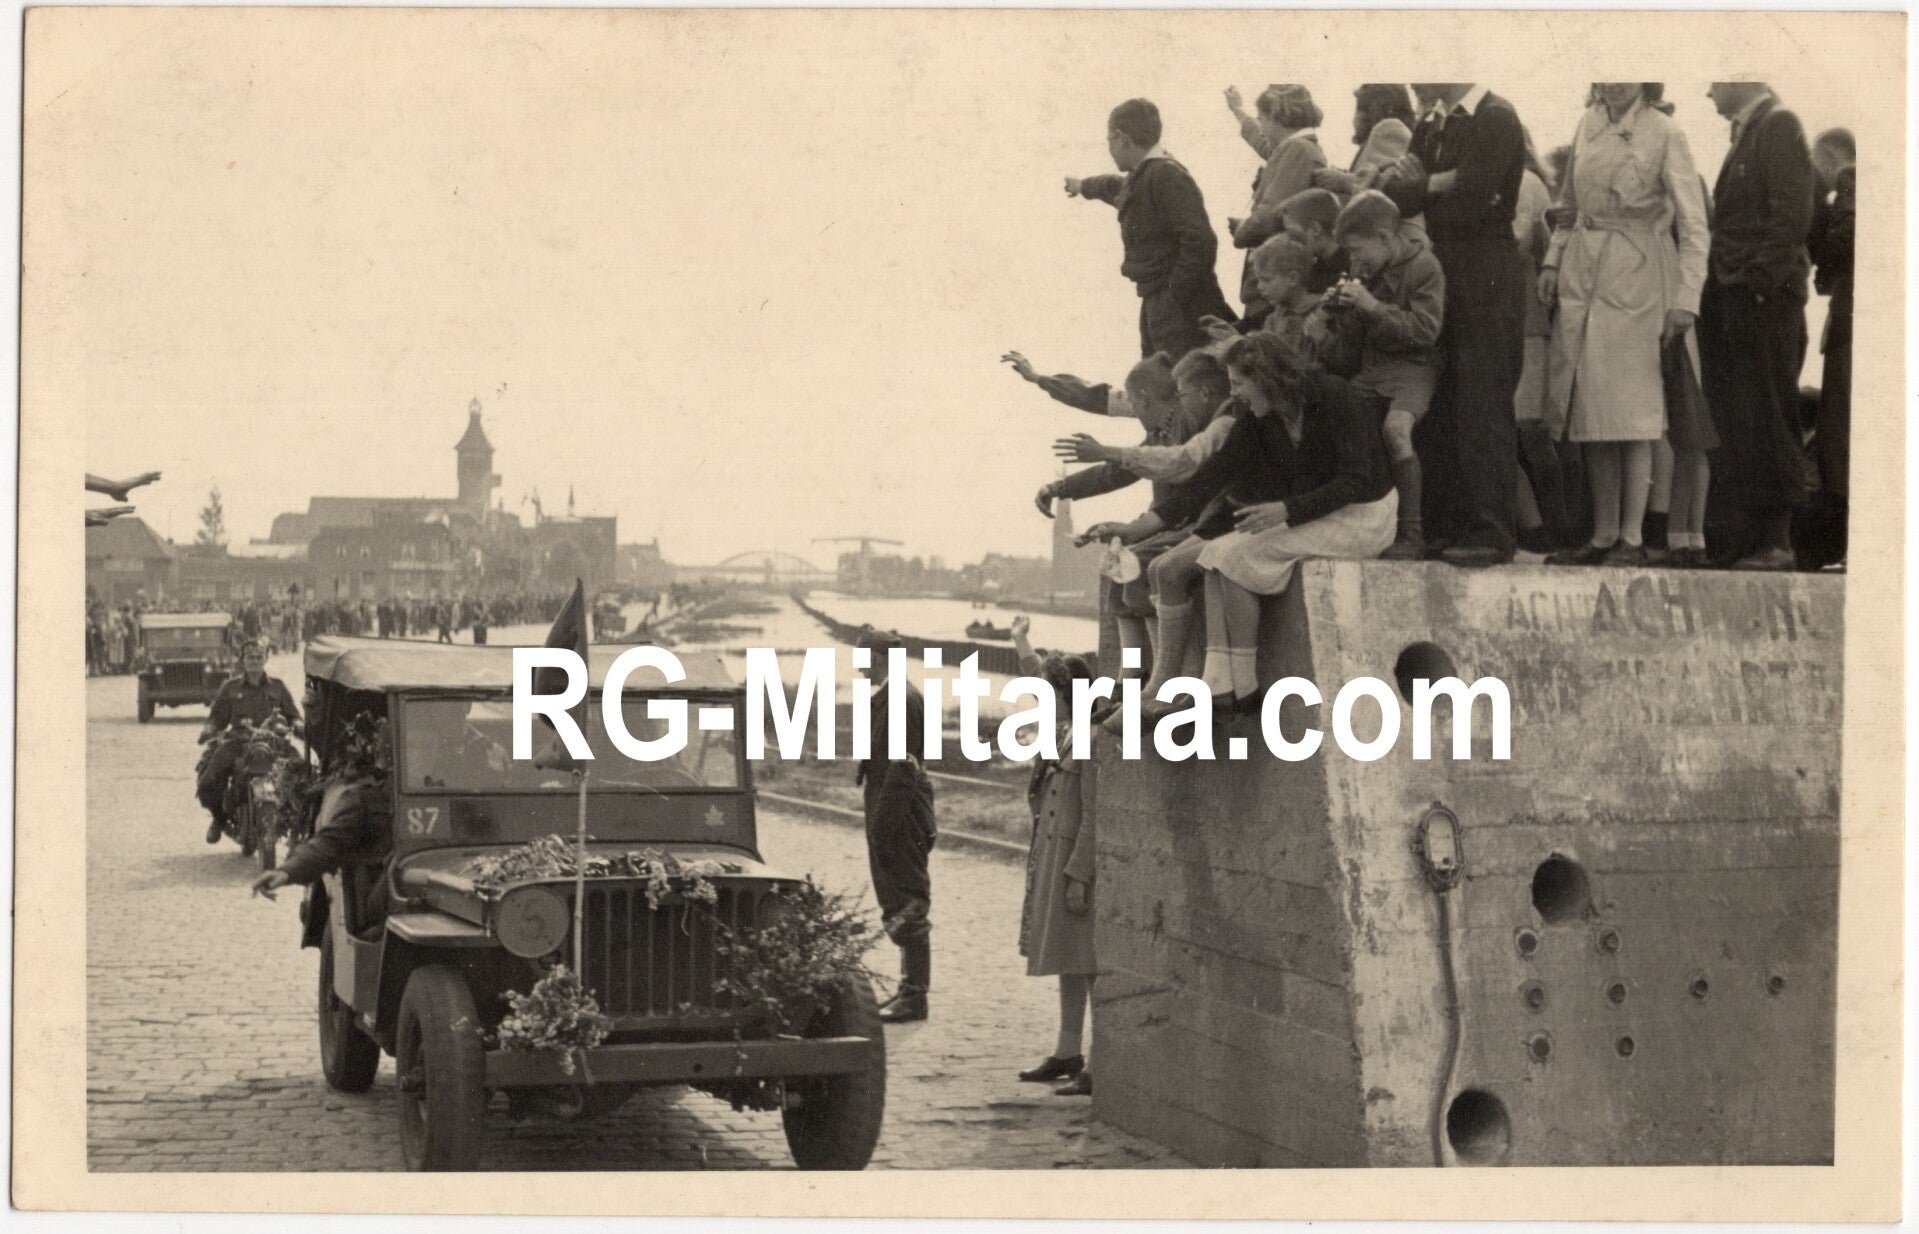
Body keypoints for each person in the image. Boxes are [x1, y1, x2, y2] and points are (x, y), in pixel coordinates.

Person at [1113, 333, 1394, 715]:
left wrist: (1286, 511)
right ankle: (1230, 687)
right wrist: (1142, 527)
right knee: (1217, 552)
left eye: (1239, 383)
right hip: (1318, 512)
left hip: (1364, 515)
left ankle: (1236, 686)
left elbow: (1357, 480)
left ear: (1266, 377)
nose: (1236, 394)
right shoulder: (1260, 418)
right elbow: (1210, 478)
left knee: (1236, 554)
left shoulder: (1334, 396)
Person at [1539, 84, 1709, 567]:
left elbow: (1695, 226)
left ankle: (1632, 537)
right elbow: (1568, 203)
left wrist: (1686, 298)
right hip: (1584, 273)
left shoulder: (1665, 132)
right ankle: (1603, 532)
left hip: (1640, 277)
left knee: (1633, 414)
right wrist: (1553, 259)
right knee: (1592, 411)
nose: (1614, 81)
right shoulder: (1587, 124)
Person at [1383, 83, 1529, 566]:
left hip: (1486, 273)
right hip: (1443, 273)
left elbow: (1471, 198)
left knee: (1482, 399)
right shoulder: (1431, 123)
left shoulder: (1496, 117)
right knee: (1442, 399)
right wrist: (1438, 182)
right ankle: (1447, 525)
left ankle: (1490, 529)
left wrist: (1426, 183)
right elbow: (1394, 197)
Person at [1696, 81, 1816, 571]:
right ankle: (1745, 541)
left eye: (1716, 82)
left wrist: (1758, 285)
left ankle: (1776, 541)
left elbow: (1792, 216)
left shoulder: (1778, 125)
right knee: (1740, 421)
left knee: (1769, 415)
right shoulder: (1752, 131)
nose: (1708, 92)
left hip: (1762, 302)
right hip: (1737, 299)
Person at [1324, 191, 1446, 559]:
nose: (1354, 260)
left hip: (1414, 367)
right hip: (1374, 370)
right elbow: (1349, 352)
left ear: (1385, 237)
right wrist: (1341, 314)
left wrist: (1372, 307)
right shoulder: (1368, 273)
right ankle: (1357, 525)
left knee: (1395, 431)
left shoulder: (1424, 267)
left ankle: (1411, 533)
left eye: (1359, 250)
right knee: (1338, 421)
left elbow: (1425, 331)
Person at [1008, 616, 1100, 1098]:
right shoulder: (1064, 729)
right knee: (1068, 958)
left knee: (1087, 964)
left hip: (1073, 865)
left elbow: (1098, 813)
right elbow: (1038, 673)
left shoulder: (1089, 739)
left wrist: (1080, 873)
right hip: (1052, 858)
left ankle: (1099, 1063)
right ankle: (1068, 1051)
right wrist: (1021, 641)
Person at [1067, 98, 1236, 358]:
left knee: (1178, 383)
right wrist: (1082, 186)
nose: (1109, 149)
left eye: (1109, 141)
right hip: (1160, 301)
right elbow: (1115, 187)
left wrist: (1173, 295)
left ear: (1122, 138)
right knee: (1156, 381)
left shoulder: (1165, 174)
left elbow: (1200, 241)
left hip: (1182, 307)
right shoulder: (1147, 175)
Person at [854, 627, 938, 1023]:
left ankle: (915, 996)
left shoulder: (899, 700)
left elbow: (902, 767)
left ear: (881, 659)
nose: (859, 667)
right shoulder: (894, 694)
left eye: (864, 659)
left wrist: (881, 827)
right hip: (895, 810)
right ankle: (908, 989)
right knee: (899, 897)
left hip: (900, 814)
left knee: (908, 901)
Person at [250, 715, 392, 921]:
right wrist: (287, 872)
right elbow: (328, 843)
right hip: (385, 900)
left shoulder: (451, 798)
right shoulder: (369, 799)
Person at [1223, 84, 1328, 326]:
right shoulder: (1296, 148)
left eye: (1261, 119)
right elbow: (1264, 145)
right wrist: (1238, 111)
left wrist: (1242, 231)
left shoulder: (1297, 150)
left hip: (1276, 275)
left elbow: (1268, 216)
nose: (1261, 127)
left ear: (1273, 118)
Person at [196, 640, 301, 845]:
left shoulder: (278, 687)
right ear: (242, 660)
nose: (254, 661)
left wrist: (299, 725)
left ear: (266, 659)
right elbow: (217, 718)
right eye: (250, 657)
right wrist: (209, 729)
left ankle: (297, 828)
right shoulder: (230, 687)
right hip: (238, 744)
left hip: (273, 744)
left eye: (258, 657)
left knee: (303, 775)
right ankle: (219, 818)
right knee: (207, 782)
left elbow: (293, 715)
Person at [1805, 127, 1854, 568]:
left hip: (1851, 329)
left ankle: (1848, 548)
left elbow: (1839, 246)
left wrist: (1819, 211)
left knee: (1840, 436)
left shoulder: (1852, 180)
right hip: (1851, 326)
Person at [1313, 84, 1419, 200]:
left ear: (1372, 111)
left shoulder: (1389, 128)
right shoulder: (1388, 133)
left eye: (1358, 110)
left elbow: (1395, 184)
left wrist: (1345, 180)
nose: (1354, 120)